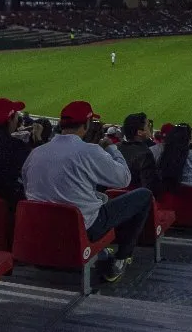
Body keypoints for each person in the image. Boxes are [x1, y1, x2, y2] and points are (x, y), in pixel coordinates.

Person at [23, 101, 151, 283]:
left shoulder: (36, 153)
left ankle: (103, 252)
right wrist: (111, 148)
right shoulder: (90, 151)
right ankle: (120, 259)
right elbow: (124, 179)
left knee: (98, 198)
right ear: (86, 124)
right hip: (83, 227)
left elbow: (28, 188)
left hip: (41, 227)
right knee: (144, 195)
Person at [119, 113, 160, 192]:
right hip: (134, 197)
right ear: (140, 132)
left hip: (113, 196)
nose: (150, 128)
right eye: (147, 126)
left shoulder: (117, 148)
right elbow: (149, 189)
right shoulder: (145, 154)